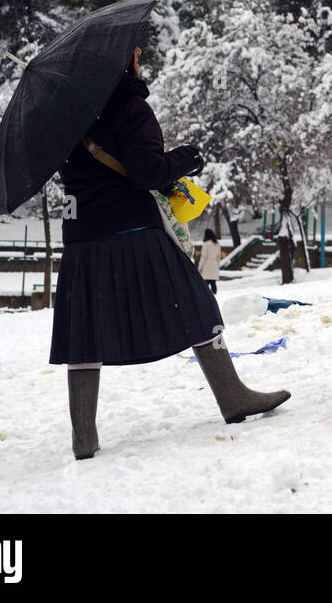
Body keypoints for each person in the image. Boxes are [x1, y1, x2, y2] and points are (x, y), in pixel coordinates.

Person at [52, 45, 288, 459]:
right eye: (136, 55)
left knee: (85, 331)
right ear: (124, 63)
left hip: (82, 239)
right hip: (134, 231)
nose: (139, 61)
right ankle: (233, 397)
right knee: (195, 305)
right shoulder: (130, 108)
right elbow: (147, 173)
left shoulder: (65, 117)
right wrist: (186, 159)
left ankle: (83, 437)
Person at [197, 227, 221, 294]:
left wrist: (199, 267)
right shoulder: (217, 244)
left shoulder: (206, 244)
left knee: (205, 284)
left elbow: (203, 257)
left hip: (207, 266)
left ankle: (207, 298)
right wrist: (218, 266)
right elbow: (218, 257)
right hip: (214, 265)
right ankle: (215, 296)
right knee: (213, 283)